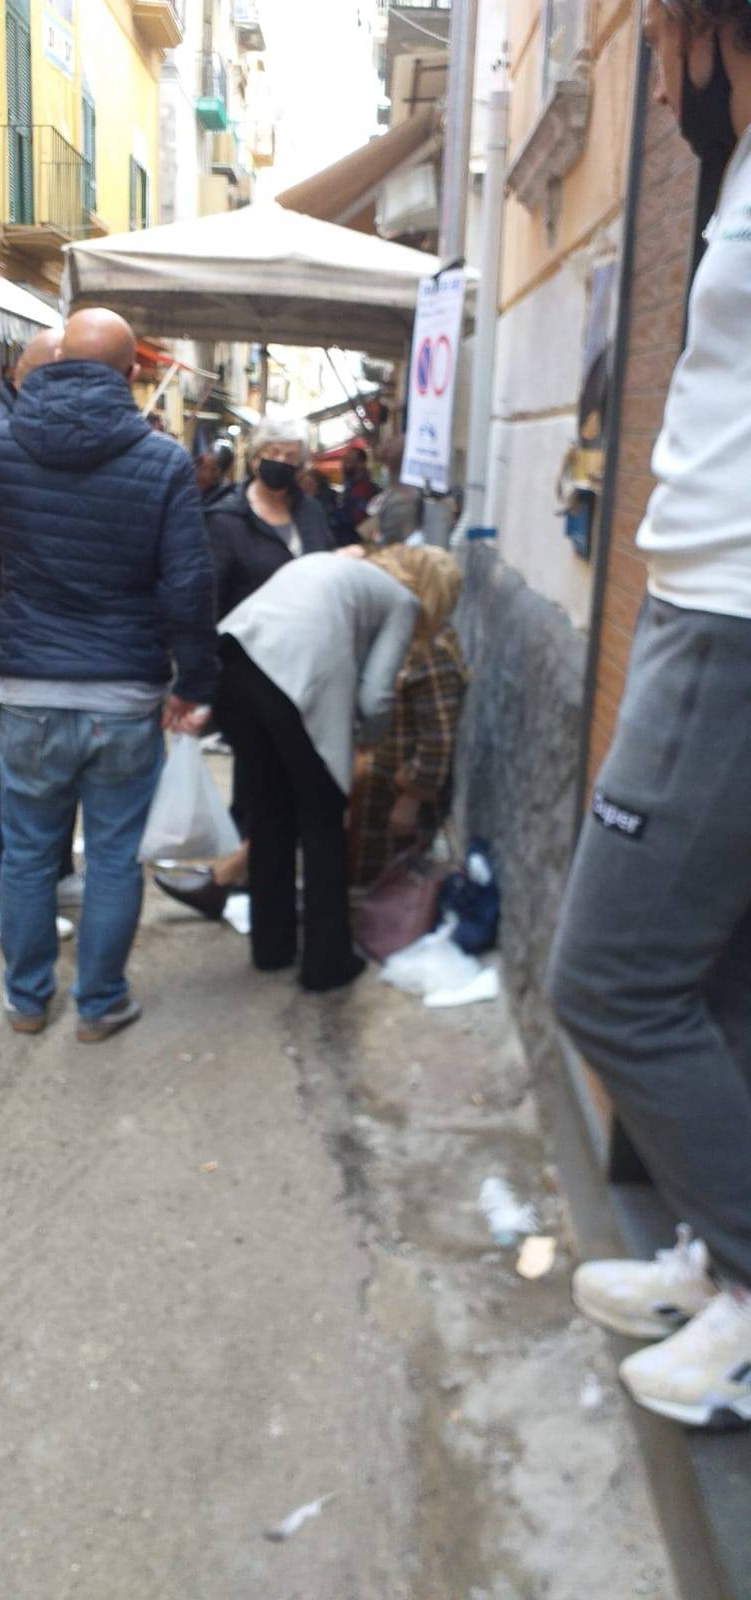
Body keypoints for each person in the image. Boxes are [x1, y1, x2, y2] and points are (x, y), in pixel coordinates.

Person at [547, 0, 751, 1430]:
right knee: (711, 977)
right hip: (708, 608)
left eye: (661, 40)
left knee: (609, 979)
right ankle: (722, 1267)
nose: (660, 85)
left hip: (733, 622)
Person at [0, 308, 218, 1041]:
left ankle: (26, 1001)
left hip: (28, 689)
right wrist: (195, 684)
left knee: (26, 855)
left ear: (51, 363)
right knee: (113, 859)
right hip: (124, 694)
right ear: (133, 371)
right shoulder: (163, 460)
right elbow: (188, 585)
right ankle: (99, 1003)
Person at [199, 552, 418, 991]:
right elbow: (376, 697)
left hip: (230, 666)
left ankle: (271, 948)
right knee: (322, 822)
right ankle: (326, 963)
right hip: (294, 680)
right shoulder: (403, 601)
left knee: (270, 811)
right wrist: (369, 742)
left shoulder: (329, 566)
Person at [0, 328, 77, 943]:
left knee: (46, 760)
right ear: (31, 375)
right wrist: (39, 545)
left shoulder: (26, 431)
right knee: (19, 765)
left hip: (24, 622)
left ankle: (51, 873)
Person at [348, 547, 466, 888]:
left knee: (380, 882)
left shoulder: (432, 653)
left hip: (390, 793)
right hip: (372, 784)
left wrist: (412, 798)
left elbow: (438, 738)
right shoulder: (405, 639)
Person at [206, 419, 334, 618]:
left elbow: (326, 562)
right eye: (273, 452)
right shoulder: (226, 519)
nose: (281, 460)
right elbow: (211, 596)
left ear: (299, 466)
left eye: (291, 456)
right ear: (255, 459)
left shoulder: (311, 510)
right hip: (248, 633)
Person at [334, 444, 378, 547]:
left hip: (356, 543)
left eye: (349, 460)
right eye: (344, 460)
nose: (344, 464)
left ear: (360, 464)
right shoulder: (350, 486)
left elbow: (360, 520)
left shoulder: (364, 489)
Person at [297, 464, 340, 530]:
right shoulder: (298, 503)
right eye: (303, 484)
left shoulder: (323, 506)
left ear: (318, 487)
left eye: (310, 484)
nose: (305, 488)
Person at [195, 439, 235, 509]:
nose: (197, 472)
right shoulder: (194, 490)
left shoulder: (225, 500)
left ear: (217, 472)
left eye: (204, 468)